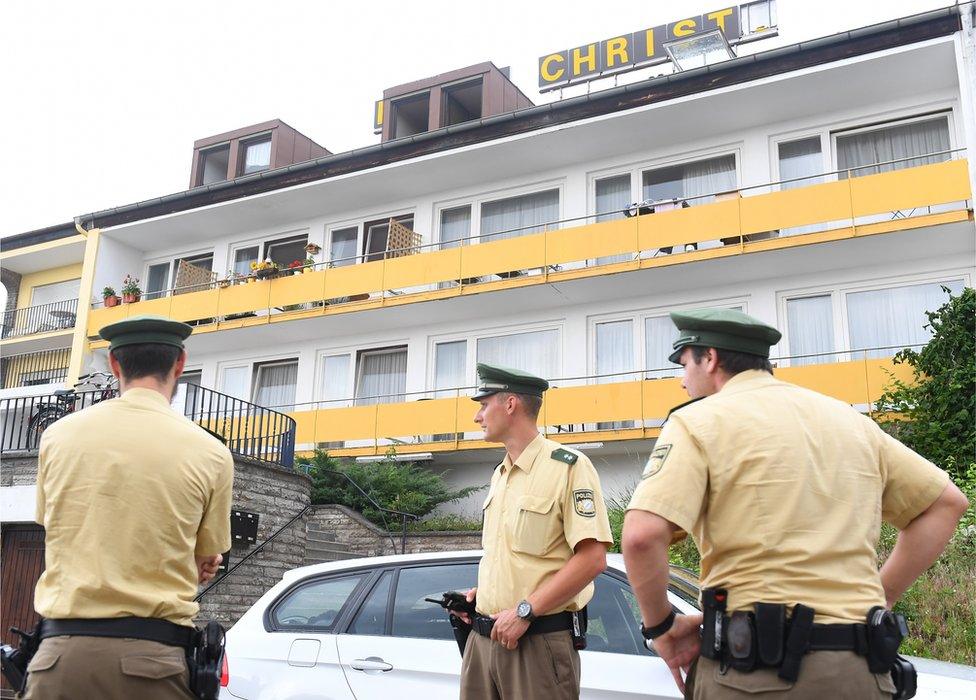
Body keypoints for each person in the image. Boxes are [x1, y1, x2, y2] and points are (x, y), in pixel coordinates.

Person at [622, 308, 969, 698]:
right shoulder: (850, 421)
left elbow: (641, 535)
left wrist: (661, 628)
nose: (682, 381)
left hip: (754, 676)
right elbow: (946, 503)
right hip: (862, 672)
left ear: (711, 358)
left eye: (684, 363)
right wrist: (881, 595)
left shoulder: (699, 421)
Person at [22, 315, 234, 700]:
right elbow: (207, 557)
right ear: (180, 363)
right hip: (153, 663)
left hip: (59, 659)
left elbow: (52, 523)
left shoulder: (57, 436)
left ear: (114, 364)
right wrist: (202, 560)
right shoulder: (211, 452)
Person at [455, 363, 613, 700]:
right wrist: (483, 594)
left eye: (484, 405)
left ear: (510, 404)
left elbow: (593, 558)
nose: (477, 417)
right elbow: (517, 557)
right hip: (484, 644)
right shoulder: (500, 474)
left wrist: (525, 610)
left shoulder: (567, 467)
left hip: (537, 644)